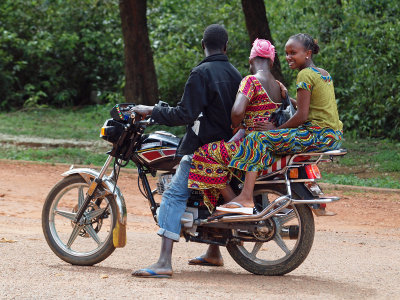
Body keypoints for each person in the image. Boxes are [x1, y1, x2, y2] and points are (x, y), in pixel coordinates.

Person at [129, 24, 242, 278]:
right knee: (213, 195)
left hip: (205, 150)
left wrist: (151, 111)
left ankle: (164, 262)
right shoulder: (237, 74)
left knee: (172, 195)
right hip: (230, 148)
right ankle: (214, 252)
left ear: (203, 45)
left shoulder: (200, 73)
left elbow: (185, 114)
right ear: (225, 47)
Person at [219, 33, 343, 212]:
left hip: (316, 135)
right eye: (286, 53)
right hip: (332, 135)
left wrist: (275, 129)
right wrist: (288, 97)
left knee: (257, 139)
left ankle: (246, 196)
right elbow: (311, 107)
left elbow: (301, 116)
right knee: (264, 139)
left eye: (293, 52)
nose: (288, 57)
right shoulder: (323, 74)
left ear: (307, 53)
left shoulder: (304, 75)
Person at [186, 38, 282, 267]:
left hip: (248, 145)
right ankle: (213, 250)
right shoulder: (279, 86)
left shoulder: (250, 80)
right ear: (271, 59)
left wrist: (237, 123)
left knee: (203, 155)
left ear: (252, 59)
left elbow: (237, 111)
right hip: (268, 146)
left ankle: (234, 204)